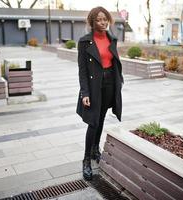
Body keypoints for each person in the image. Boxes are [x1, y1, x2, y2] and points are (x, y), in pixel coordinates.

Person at [76, 6, 123, 180]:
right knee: (93, 122)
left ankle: (96, 149)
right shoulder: (84, 42)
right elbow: (82, 70)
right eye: (99, 19)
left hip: (110, 82)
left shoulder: (112, 39)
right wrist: (85, 93)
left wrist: (120, 80)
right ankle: (86, 159)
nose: (103, 22)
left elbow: (115, 62)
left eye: (105, 19)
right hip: (94, 85)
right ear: (92, 22)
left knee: (102, 117)